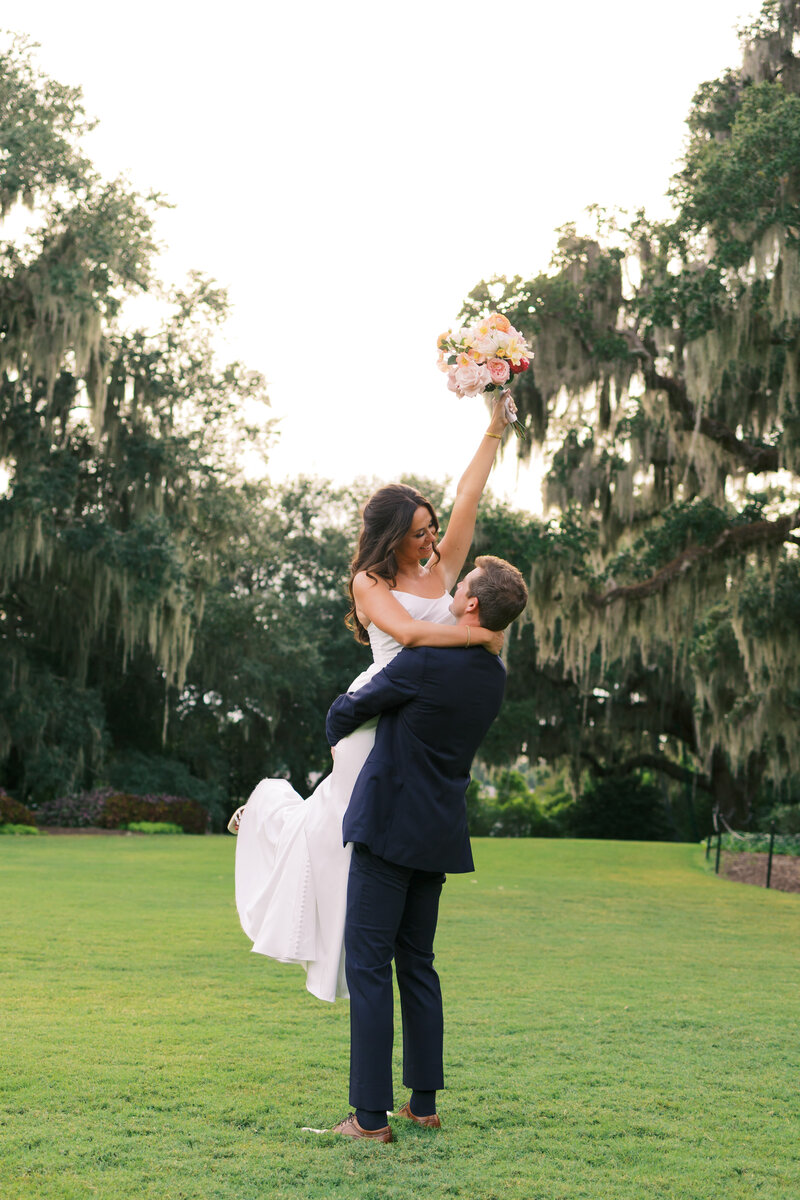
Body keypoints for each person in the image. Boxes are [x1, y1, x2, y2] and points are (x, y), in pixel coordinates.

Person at [232, 396, 515, 1003]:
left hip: (415, 712)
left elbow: (468, 495)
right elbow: (409, 634)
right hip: (377, 706)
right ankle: (262, 813)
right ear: (392, 536)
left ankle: (349, 940)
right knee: (331, 828)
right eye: (419, 533)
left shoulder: (442, 569)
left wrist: (493, 429)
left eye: (432, 528)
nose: (431, 539)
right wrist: (478, 637)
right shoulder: (372, 581)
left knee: (342, 837)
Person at [323, 555, 529, 1142]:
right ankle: (423, 1105)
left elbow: (349, 709)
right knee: (417, 966)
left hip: (388, 828)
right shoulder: (494, 676)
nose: (451, 589)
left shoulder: (423, 661)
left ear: (471, 605)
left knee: (369, 968)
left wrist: (339, 742)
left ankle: (368, 1120)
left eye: (461, 586)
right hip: (437, 835)